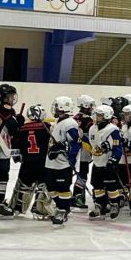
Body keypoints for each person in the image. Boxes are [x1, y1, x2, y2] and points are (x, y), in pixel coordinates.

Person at [0, 84, 24, 216]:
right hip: (0, 145)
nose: (12, 98)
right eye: (10, 96)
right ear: (3, 97)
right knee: (2, 174)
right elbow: (13, 127)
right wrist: (20, 123)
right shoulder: (5, 108)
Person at [8, 105, 51, 218]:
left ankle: (18, 207)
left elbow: (15, 142)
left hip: (27, 162)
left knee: (23, 186)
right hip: (42, 162)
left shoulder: (22, 128)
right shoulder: (46, 126)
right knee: (43, 186)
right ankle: (39, 209)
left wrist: (17, 157)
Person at [45, 96, 81, 226]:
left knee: (63, 188)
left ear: (63, 108)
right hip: (51, 162)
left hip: (63, 164)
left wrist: (64, 148)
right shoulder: (58, 121)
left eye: (56, 106)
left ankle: (63, 210)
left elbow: (76, 143)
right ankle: (61, 207)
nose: (54, 108)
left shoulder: (70, 123)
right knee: (50, 187)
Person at [88, 105, 124, 221]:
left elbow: (117, 148)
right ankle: (100, 206)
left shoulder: (113, 130)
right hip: (97, 163)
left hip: (108, 164)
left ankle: (114, 205)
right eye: (97, 115)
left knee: (112, 187)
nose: (96, 117)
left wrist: (113, 160)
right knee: (97, 186)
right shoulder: (92, 128)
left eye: (99, 115)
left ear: (106, 116)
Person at [73, 95, 96, 211]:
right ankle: (77, 197)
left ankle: (75, 196)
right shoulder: (88, 120)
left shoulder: (76, 117)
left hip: (76, 150)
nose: (92, 108)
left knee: (80, 173)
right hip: (83, 151)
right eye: (90, 106)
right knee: (82, 174)